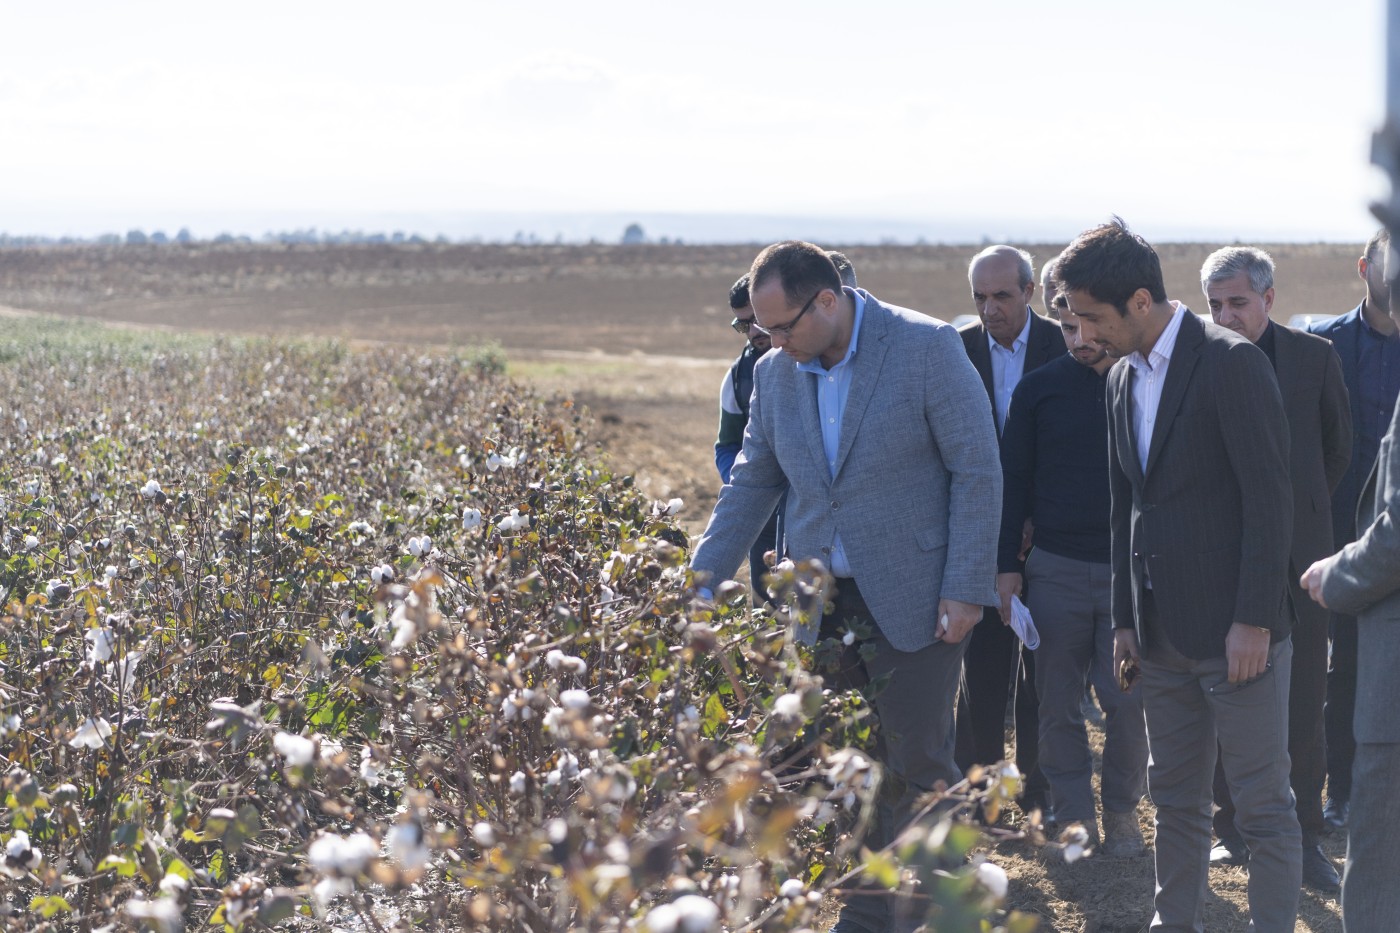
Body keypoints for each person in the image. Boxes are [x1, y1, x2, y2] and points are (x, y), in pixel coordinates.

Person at [690, 240, 1001, 933]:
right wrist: (702, 577)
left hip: (919, 594)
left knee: (919, 759)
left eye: (783, 325)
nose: (771, 342)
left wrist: (966, 584)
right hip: (819, 604)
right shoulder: (774, 373)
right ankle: (868, 914)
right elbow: (752, 480)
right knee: (848, 764)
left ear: (827, 301)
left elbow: (977, 470)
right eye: (763, 330)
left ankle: (945, 905)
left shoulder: (926, 348)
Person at [1059, 218, 1301, 932]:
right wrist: (1126, 619)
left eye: (1094, 318)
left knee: (1263, 809)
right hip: (1158, 641)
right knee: (1176, 802)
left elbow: (1270, 500)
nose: (1087, 336)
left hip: (1240, 639)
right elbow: (1123, 506)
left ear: (1139, 300)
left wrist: (1254, 617)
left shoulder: (1231, 363)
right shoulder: (1120, 379)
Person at [1199, 247, 1351, 894]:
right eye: (1215, 305)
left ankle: (1306, 834)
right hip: (1220, 557)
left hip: (1303, 561)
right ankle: (1231, 826)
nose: (1227, 316)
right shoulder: (1199, 361)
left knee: (1301, 706)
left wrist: (1298, 513)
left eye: (1238, 302)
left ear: (1268, 298)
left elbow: (1335, 449)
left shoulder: (1315, 358)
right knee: (1225, 695)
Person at [994, 293, 1148, 856]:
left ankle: (1124, 812)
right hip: (1054, 569)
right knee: (1056, 704)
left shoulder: (1143, 382)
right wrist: (1007, 566)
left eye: (1087, 324)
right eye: (1064, 327)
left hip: (1127, 574)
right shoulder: (1037, 390)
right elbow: (1012, 482)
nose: (1078, 338)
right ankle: (1075, 818)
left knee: (1128, 702)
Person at [1300, 237, 1400, 931]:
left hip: (1369, 565)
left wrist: (1340, 571)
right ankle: (1330, 793)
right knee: (1335, 683)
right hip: (1342, 534)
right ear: (1364, 269)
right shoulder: (1324, 343)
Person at [955, 245, 1061, 812]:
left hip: (1046, 536)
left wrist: (1033, 520)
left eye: (1001, 296)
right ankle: (980, 793)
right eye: (979, 297)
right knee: (983, 672)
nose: (989, 309)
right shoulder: (956, 351)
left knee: (1041, 672)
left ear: (1029, 292)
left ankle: (1036, 789)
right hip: (976, 537)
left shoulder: (1062, 345)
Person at [716, 256, 859, 595]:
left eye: (770, 325)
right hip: (775, 523)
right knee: (772, 612)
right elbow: (733, 452)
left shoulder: (911, 351)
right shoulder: (752, 374)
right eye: (745, 325)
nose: (760, 334)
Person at [715, 274, 781, 593]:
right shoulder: (737, 377)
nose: (754, 331)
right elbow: (726, 446)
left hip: (815, 516)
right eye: (743, 325)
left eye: (758, 320)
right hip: (764, 523)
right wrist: (745, 485)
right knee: (769, 621)